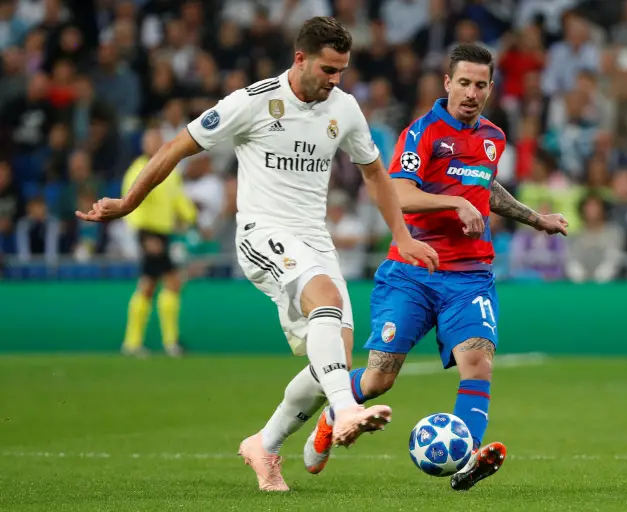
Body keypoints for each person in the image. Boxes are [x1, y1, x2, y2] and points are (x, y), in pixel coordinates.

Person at [75, 16, 438, 491]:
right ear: (300, 58)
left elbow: (375, 174)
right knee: (326, 302)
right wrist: (128, 203)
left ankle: (264, 446)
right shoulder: (252, 102)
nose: (336, 81)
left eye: (342, 71)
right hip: (261, 232)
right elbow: (174, 148)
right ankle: (345, 411)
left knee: (333, 357)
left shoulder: (345, 109)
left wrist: (402, 235)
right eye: (329, 70)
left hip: (313, 239)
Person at [302, 43, 569, 492]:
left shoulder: (493, 137)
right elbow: (398, 191)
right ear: (447, 83)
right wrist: (454, 201)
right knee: (380, 377)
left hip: (470, 275)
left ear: (489, 88)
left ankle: (465, 459)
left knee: (478, 361)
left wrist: (535, 218)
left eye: (480, 85)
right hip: (413, 270)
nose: (471, 92)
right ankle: (333, 413)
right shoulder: (422, 132)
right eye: (463, 82)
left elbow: (487, 188)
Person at [120, 129, 197, 358]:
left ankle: (135, 343)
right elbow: (128, 201)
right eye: (150, 140)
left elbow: (177, 197)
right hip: (149, 233)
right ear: (144, 144)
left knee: (150, 285)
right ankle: (169, 342)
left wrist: (191, 217)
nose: (155, 144)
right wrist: (143, 236)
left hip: (163, 233)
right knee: (169, 282)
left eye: (157, 140)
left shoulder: (168, 168)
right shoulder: (138, 169)